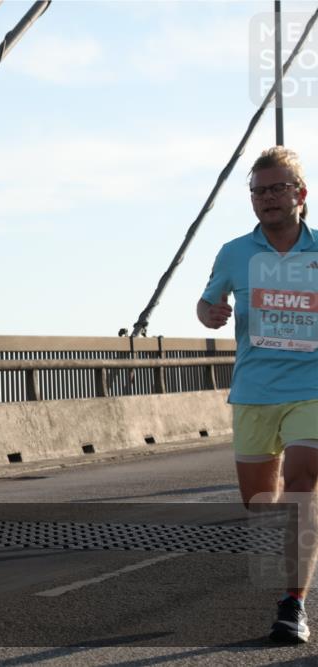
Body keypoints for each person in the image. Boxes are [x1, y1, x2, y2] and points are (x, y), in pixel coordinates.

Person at [197, 147, 317, 643]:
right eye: (258, 191)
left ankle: (294, 605)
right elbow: (207, 304)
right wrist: (211, 314)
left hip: (311, 386)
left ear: (300, 195)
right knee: (261, 504)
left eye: (277, 188)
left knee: (302, 482)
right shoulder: (234, 253)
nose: (268, 197)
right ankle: (299, 544)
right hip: (253, 391)